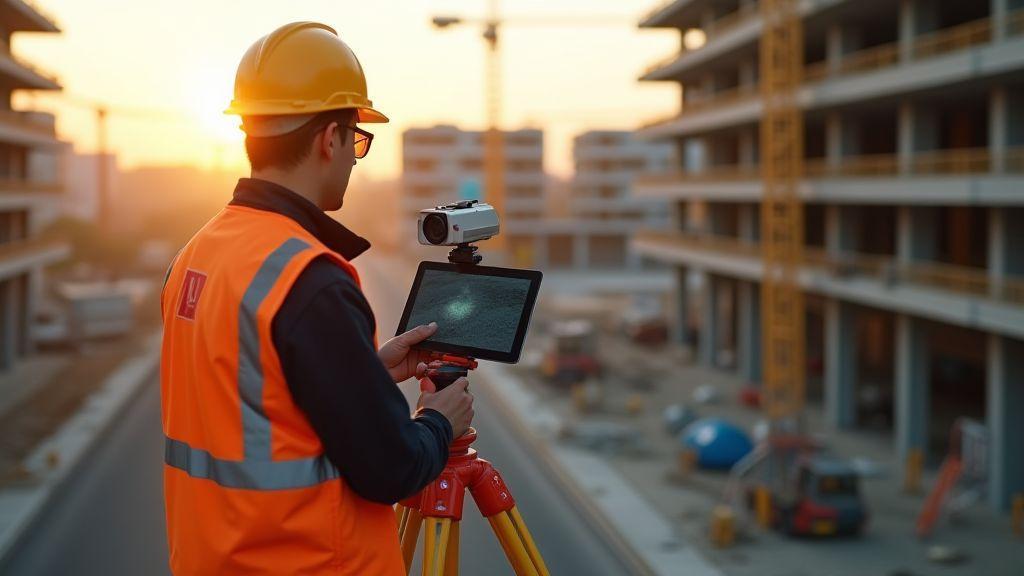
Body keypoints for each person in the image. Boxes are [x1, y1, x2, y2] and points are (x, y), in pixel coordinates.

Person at [159, 22, 474, 575]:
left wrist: (364, 372)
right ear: (330, 138)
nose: (354, 158)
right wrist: (437, 422)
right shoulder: (310, 279)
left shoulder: (198, 253)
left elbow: (253, 400)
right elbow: (391, 468)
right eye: (357, 140)